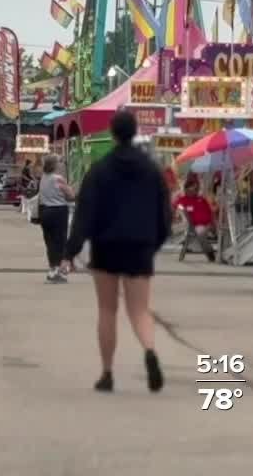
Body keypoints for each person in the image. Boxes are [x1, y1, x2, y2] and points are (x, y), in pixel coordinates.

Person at [64, 111, 168, 393]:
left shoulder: (99, 170)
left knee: (107, 309)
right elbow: (164, 215)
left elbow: (84, 214)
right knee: (140, 310)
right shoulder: (151, 170)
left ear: (112, 133)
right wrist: (153, 243)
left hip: (106, 246)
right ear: (135, 132)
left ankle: (107, 373)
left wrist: (70, 250)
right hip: (140, 247)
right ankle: (149, 350)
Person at [38, 154, 76, 284]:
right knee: (60, 241)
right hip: (58, 211)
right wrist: (72, 189)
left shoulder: (43, 177)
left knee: (50, 242)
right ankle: (59, 272)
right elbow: (71, 196)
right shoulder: (58, 178)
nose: (62, 164)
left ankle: (52, 269)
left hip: (44, 211)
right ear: (54, 165)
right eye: (60, 161)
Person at [174, 174, 217, 262]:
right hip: (195, 226)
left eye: (196, 188)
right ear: (187, 189)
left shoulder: (201, 199)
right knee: (200, 232)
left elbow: (210, 212)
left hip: (208, 224)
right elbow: (176, 208)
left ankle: (214, 253)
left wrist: (212, 224)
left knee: (203, 232)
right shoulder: (183, 200)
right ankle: (210, 252)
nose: (196, 190)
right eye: (193, 188)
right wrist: (180, 212)